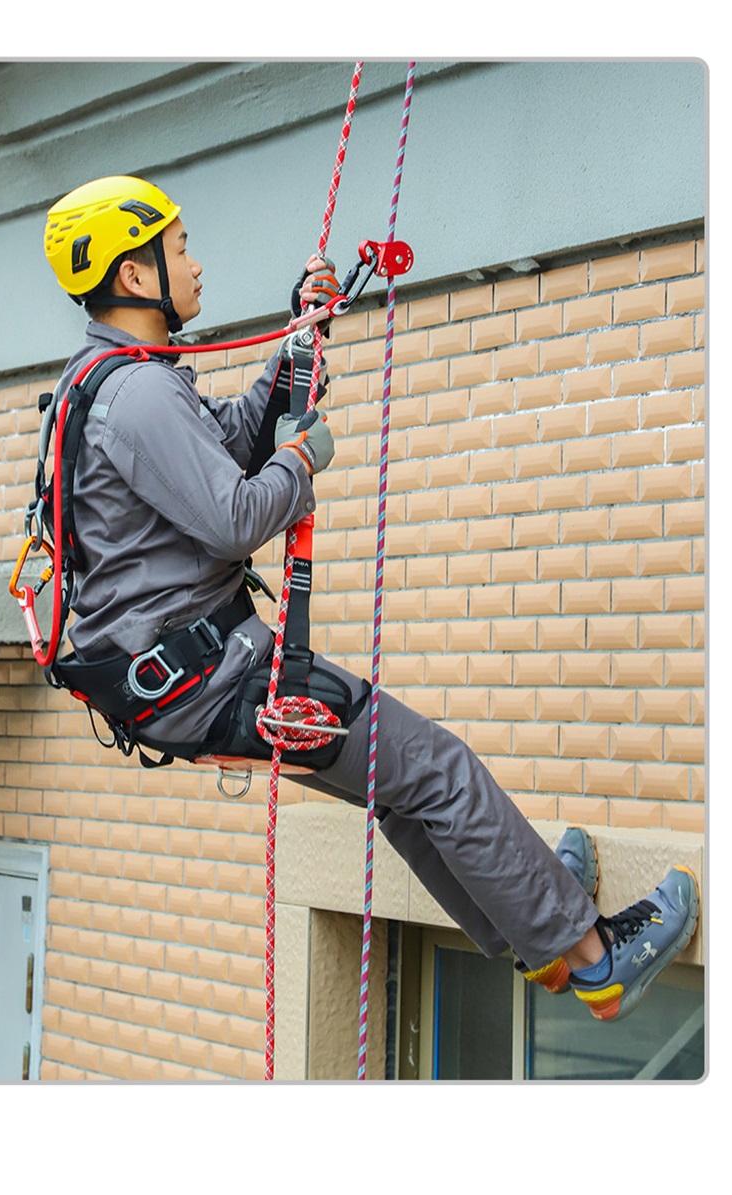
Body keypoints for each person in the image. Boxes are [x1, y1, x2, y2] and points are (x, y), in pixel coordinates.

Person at [40, 174, 699, 1025]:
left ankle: (539, 926)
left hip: (177, 678)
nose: (196, 265)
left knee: (405, 785)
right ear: (135, 277)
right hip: (210, 678)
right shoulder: (136, 390)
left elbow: (225, 445)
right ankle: (596, 958)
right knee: (438, 768)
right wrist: (306, 459)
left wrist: (293, 356)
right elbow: (237, 514)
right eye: (178, 250)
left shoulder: (111, 377)